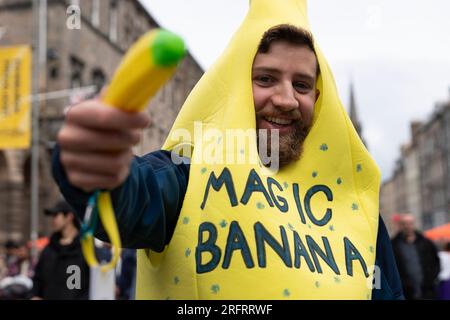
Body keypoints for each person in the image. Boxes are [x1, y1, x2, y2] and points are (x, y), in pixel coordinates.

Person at [52, 0, 403, 299]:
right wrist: (94, 161)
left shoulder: (357, 206)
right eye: (265, 79)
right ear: (234, 87)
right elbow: (130, 199)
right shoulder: (188, 175)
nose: (285, 99)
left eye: (302, 84)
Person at [31, 200, 90, 300]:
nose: (53, 220)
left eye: (56, 215)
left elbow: (91, 285)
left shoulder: (86, 248)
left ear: (69, 217)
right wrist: (34, 295)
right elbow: (38, 279)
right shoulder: (49, 249)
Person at [391, 214, 441, 299]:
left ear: (413, 224)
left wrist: (432, 278)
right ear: (400, 225)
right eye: (404, 223)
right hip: (405, 292)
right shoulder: (393, 245)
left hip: (427, 290)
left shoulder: (426, 242)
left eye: (410, 223)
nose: (407, 226)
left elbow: (436, 261)